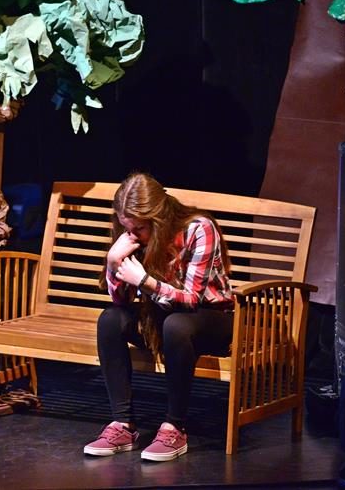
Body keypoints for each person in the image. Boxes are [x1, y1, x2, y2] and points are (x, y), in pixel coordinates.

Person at [83, 172, 234, 462]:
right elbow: (121, 302)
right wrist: (113, 263)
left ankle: (174, 427)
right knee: (111, 319)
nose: (132, 235)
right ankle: (123, 424)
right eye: (126, 227)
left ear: (158, 217)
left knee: (176, 324)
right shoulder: (131, 234)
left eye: (139, 228)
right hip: (162, 315)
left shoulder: (199, 228)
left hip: (212, 319)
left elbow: (192, 299)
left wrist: (145, 282)